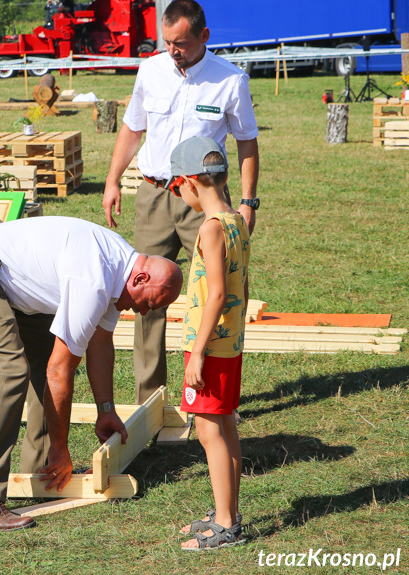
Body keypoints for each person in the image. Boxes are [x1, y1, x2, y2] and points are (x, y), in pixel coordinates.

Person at [0, 216, 183, 530]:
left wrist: (105, 410)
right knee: (8, 372)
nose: (144, 311)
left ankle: (43, 473)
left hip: (9, 283)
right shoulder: (94, 280)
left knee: (42, 360)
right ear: (140, 279)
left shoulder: (119, 269)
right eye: (148, 303)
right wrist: (61, 445)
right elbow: (60, 371)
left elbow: (101, 343)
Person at [101, 0, 259, 405]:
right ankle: (149, 402)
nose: (174, 50)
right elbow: (133, 127)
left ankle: (214, 394)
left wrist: (248, 202)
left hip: (204, 202)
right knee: (145, 297)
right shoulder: (150, 70)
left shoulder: (230, 80)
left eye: (182, 43)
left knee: (218, 293)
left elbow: (247, 142)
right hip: (153, 194)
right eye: (167, 42)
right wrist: (113, 179)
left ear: (204, 37)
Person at [167, 137, 249, 550]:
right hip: (228, 344)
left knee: (207, 431)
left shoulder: (211, 228)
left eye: (177, 187)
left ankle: (226, 524)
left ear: (189, 182)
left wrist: (196, 352)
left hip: (210, 347)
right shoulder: (237, 220)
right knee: (226, 425)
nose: (179, 195)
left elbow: (216, 293)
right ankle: (226, 511)